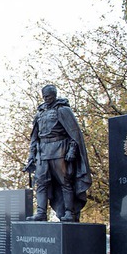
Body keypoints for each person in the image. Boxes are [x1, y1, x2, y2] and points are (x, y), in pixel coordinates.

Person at [24, 84, 92, 222]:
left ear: (54, 95)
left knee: (65, 181)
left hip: (60, 149)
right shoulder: (40, 113)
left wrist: (72, 150)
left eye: (48, 96)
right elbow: (34, 137)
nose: (46, 98)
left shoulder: (63, 110)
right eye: (44, 96)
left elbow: (74, 134)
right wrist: (32, 155)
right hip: (42, 152)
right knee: (41, 183)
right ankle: (41, 213)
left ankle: (69, 212)